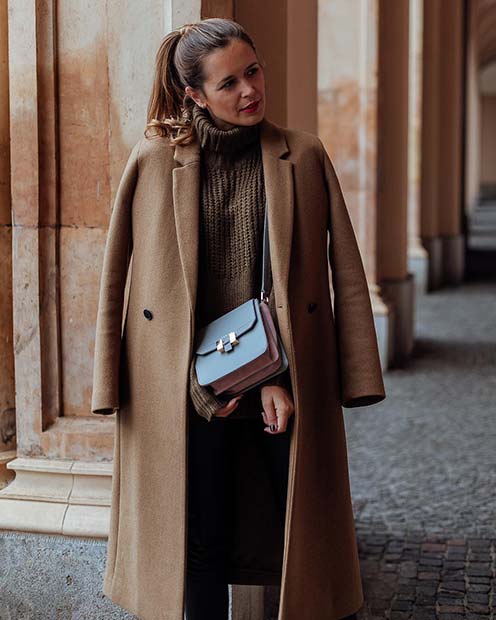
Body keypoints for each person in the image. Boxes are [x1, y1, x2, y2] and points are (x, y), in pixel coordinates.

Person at [92, 16, 384, 620]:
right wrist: (114, 382)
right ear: (194, 94)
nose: (250, 91)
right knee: (197, 538)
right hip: (182, 388)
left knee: (293, 534)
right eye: (229, 84)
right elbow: (119, 277)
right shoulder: (154, 159)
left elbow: (344, 273)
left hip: (282, 376)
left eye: (253, 72)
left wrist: (299, 377)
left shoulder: (302, 155)